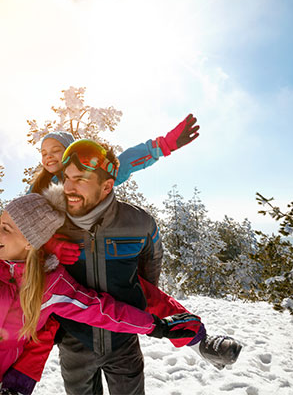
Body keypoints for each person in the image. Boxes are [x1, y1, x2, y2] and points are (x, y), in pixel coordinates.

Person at [0, 174, 204, 394]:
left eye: (6, 228)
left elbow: (104, 310)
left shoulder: (52, 287)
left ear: (33, 243)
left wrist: (156, 327)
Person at [52, 139, 242, 394]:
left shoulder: (138, 223)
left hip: (124, 343)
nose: (68, 187)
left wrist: (138, 309)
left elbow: (149, 276)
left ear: (107, 186)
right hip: (74, 343)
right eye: (66, 177)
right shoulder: (52, 222)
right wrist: (48, 243)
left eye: (80, 180)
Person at [30, 114, 200, 194]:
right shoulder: (39, 185)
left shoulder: (88, 174)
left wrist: (163, 145)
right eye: (44, 153)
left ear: (70, 152)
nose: (48, 156)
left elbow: (123, 163)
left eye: (55, 151)